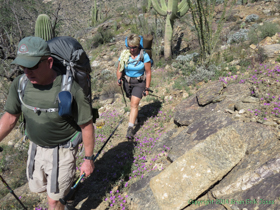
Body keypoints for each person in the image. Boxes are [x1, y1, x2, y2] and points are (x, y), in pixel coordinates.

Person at [0, 36, 95, 210]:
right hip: (36, 148)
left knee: (53, 200)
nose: (27, 72)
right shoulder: (20, 84)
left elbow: (86, 125)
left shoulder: (70, 88)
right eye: (23, 66)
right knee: (39, 188)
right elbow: (10, 117)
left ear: (49, 62)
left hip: (63, 150)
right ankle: (64, 196)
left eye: (33, 66)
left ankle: (61, 199)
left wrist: (88, 159)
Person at [116, 34, 152, 139]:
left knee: (134, 104)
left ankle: (130, 129)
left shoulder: (144, 55)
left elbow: (148, 72)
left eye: (134, 47)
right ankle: (136, 116)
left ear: (138, 46)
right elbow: (119, 68)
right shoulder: (124, 55)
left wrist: (147, 87)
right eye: (130, 47)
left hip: (140, 82)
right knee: (131, 101)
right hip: (127, 82)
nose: (132, 49)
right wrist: (119, 78)